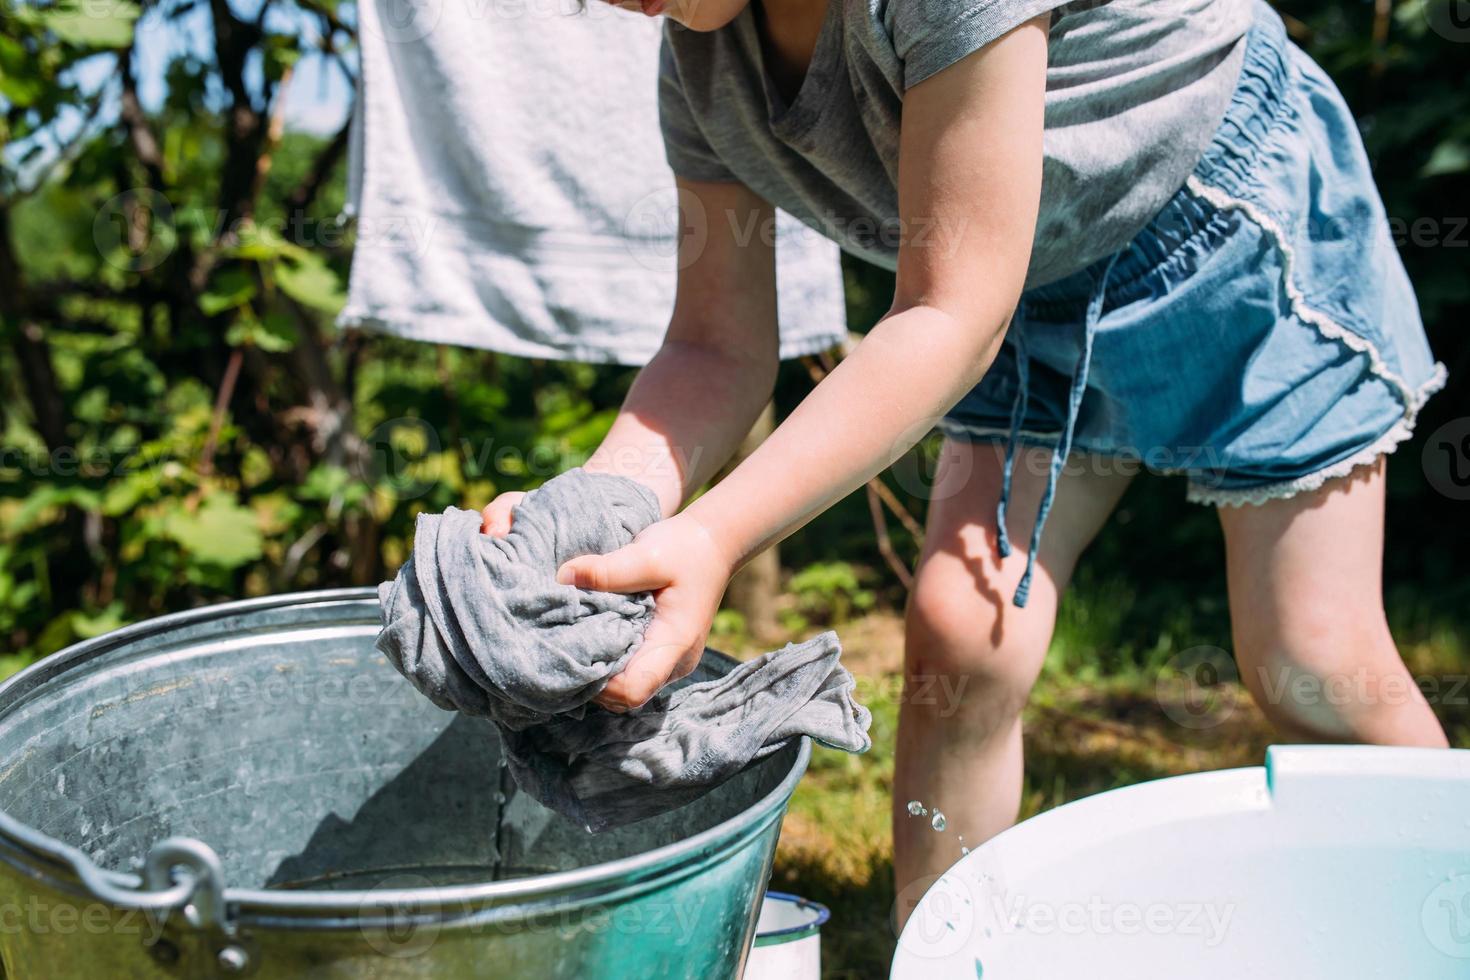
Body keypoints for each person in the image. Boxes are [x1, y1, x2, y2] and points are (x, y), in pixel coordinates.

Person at [478, 0, 1449, 919]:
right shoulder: (703, 60)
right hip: (1009, 287)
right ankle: (944, 946)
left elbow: (949, 311)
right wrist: (593, 514)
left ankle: (1440, 909)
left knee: (1312, 659)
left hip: (1225, 239)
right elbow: (713, 346)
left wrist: (715, 532)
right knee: (962, 632)